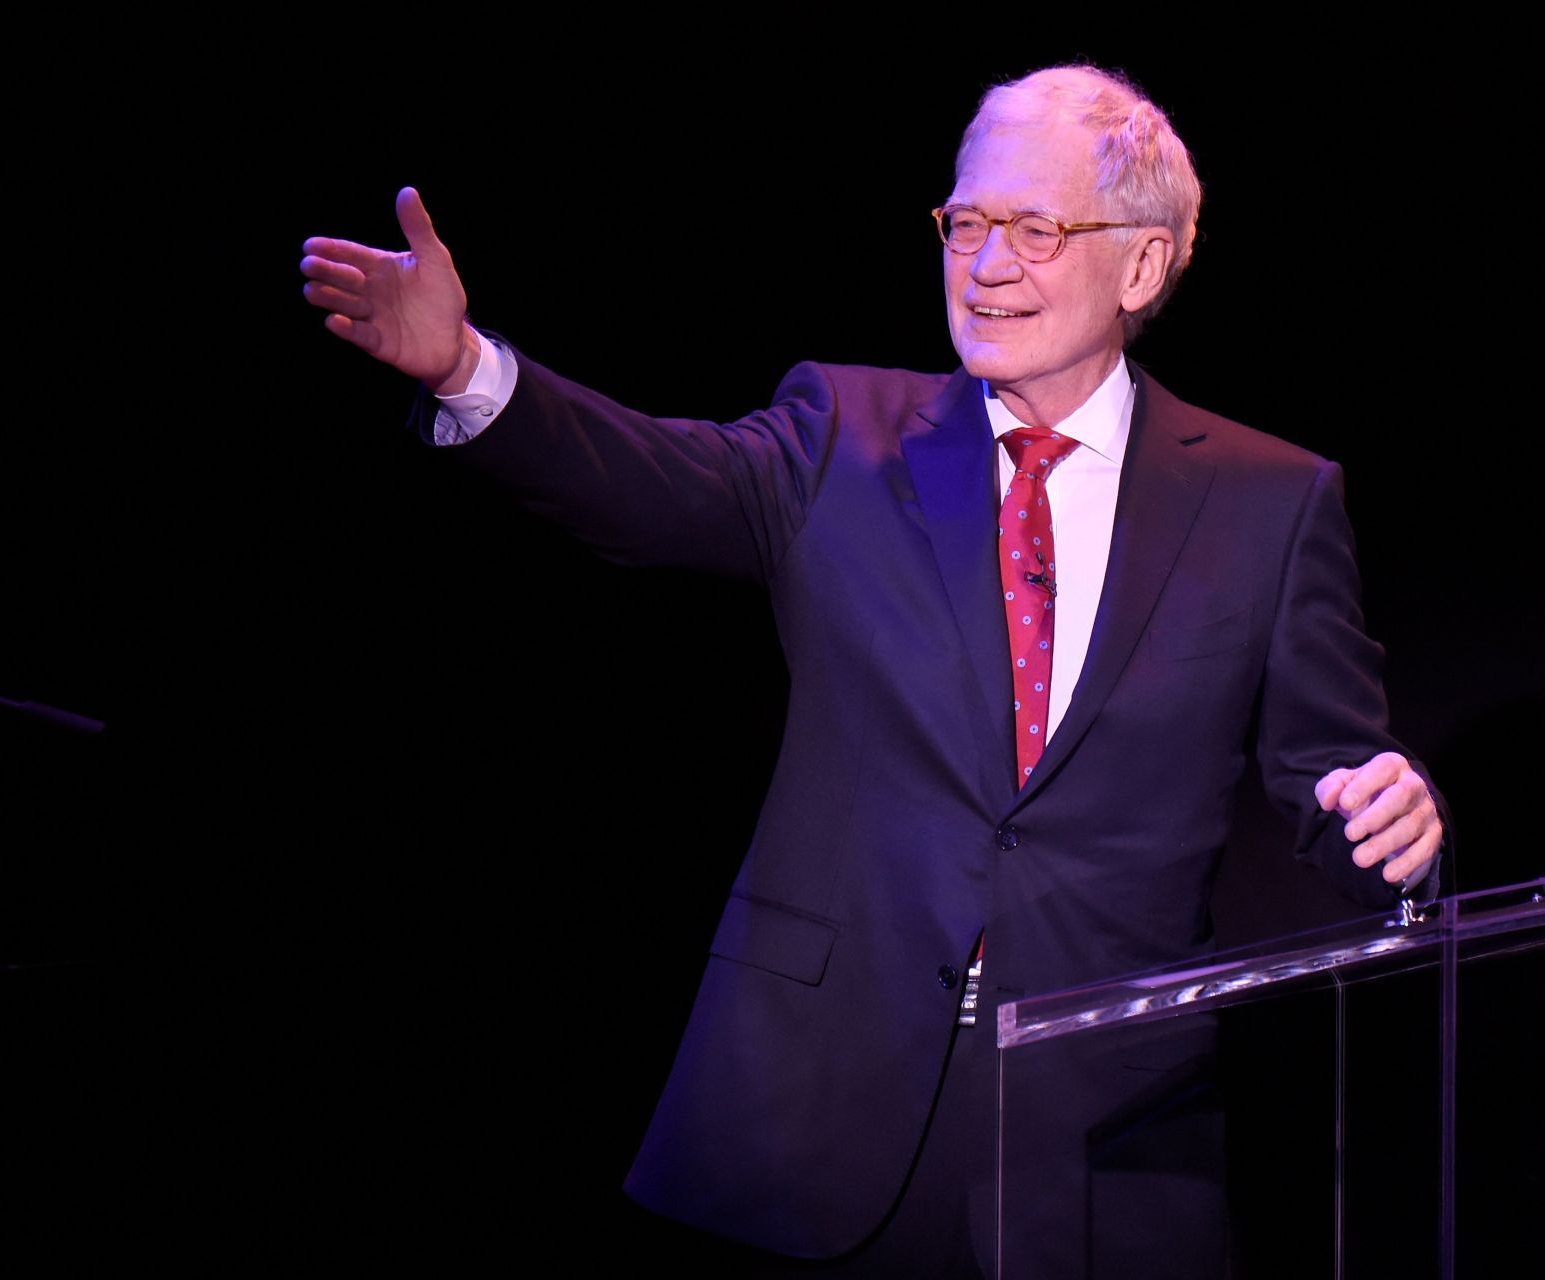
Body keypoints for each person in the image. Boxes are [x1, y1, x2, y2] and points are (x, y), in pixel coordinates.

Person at [302, 64, 1444, 1278]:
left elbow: (1337, 777)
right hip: (808, 1108)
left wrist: (1392, 823)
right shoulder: (843, 431)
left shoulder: (1270, 499)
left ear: (1145, 265)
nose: (985, 262)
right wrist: (471, 368)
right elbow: (645, 482)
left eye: (1036, 228)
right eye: (965, 221)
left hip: (1104, 1148)